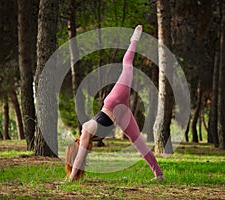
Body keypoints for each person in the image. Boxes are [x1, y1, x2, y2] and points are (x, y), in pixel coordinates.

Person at [67, 25, 165, 182]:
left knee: (127, 64)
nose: (86, 151)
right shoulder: (90, 136)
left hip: (115, 101)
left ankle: (134, 39)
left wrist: (70, 180)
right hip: (121, 113)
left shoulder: (86, 130)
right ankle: (159, 175)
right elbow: (80, 159)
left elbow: (78, 159)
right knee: (138, 142)